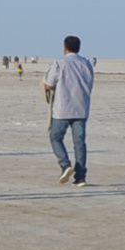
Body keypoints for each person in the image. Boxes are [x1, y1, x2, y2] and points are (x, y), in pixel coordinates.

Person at [44, 35, 94, 185]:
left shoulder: (60, 63)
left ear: (65, 48)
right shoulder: (86, 64)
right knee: (79, 143)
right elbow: (90, 83)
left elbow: (48, 83)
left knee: (55, 137)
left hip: (62, 108)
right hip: (81, 108)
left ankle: (65, 165)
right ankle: (80, 177)